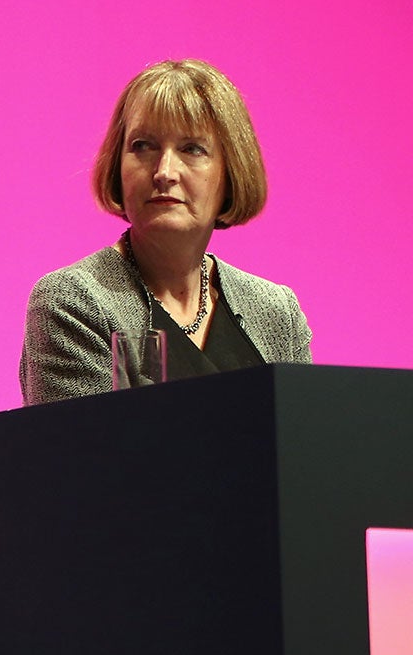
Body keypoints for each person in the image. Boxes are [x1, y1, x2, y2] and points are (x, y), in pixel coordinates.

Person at [21, 59, 310, 404]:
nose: (164, 172)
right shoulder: (74, 302)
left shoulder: (277, 312)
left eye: (191, 149)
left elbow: (305, 449)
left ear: (231, 171)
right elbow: (81, 453)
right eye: (143, 146)